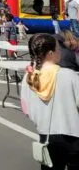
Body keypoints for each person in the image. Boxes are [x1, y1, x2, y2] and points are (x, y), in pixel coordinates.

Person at [21, 33, 79, 170]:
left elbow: (26, 110)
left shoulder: (29, 78)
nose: (61, 51)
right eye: (58, 48)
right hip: (72, 135)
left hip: (45, 135)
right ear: (51, 53)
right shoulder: (70, 76)